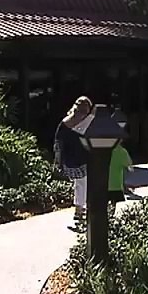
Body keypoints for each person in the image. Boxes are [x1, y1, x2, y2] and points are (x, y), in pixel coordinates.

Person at [54, 96, 94, 233]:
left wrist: (58, 161)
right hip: (87, 159)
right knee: (85, 184)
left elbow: (58, 143)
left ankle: (79, 211)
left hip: (70, 160)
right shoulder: (90, 121)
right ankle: (84, 211)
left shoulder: (65, 122)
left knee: (79, 184)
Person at [107, 140, 133, 218]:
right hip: (116, 183)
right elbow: (129, 165)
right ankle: (111, 217)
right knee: (113, 202)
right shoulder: (122, 151)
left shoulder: (104, 150)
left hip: (103, 182)